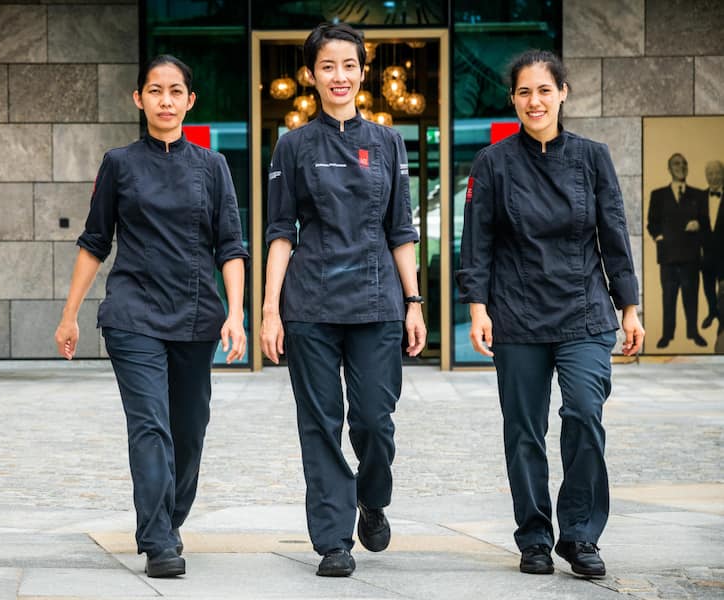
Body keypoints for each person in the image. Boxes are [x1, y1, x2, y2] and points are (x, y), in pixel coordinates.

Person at [54, 55, 249, 578]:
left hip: (195, 317)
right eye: (155, 91)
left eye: (175, 91)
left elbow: (231, 246)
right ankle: (158, 539)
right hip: (133, 314)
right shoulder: (119, 164)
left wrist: (236, 314)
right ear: (139, 99)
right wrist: (70, 315)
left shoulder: (213, 166)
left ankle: (169, 518)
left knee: (189, 430)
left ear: (190, 101)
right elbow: (95, 241)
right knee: (149, 426)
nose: (166, 100)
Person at [456, 49, 644, 579]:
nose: (534, 101)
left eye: (544, 90)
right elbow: (478, 241)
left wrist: (629, 308)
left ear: (562, 93)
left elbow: (613, 233)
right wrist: (477, 307)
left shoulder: (593, 157)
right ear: (513, 99)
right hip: (516, 314)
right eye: (524, 92)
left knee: (583, 413)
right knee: (524, 430)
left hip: (584, 310)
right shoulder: (493, 163)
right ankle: (534, 536)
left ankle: (580, 535)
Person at [260, 23, 426, 578]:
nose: (339, 76)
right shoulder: (293, 145)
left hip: (377, 302)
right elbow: (280, 232)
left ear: (363, 71)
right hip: (309, 302)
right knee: (319, 423)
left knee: (375, 420)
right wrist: (270, 310)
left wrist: (414, 301)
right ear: (311, 75)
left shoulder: (388, 142)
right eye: (327, 66)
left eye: (349, 65)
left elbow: (401, 229)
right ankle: (333, 540)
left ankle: (372, 498)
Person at [647, 154, 710, 348]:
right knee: (668, 297)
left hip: (691, 257)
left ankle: (693, 332)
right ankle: (667, 335)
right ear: (669, 168)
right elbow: (652, 223)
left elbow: (707, 225)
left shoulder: (699, 195)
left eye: (684, 164)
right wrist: (659, 236)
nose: (680, 167)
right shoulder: (658, 195)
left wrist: (699, 225)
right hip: (668, 256)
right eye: (676, 164)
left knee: (691, 297)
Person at [701, 160, 723, 333]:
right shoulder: (700, 197)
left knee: (722, 289)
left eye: (717, 173)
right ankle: (712, 312)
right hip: (706, 254)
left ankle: (722, 319)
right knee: (708, 286)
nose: (714, 177)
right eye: (710, 174)